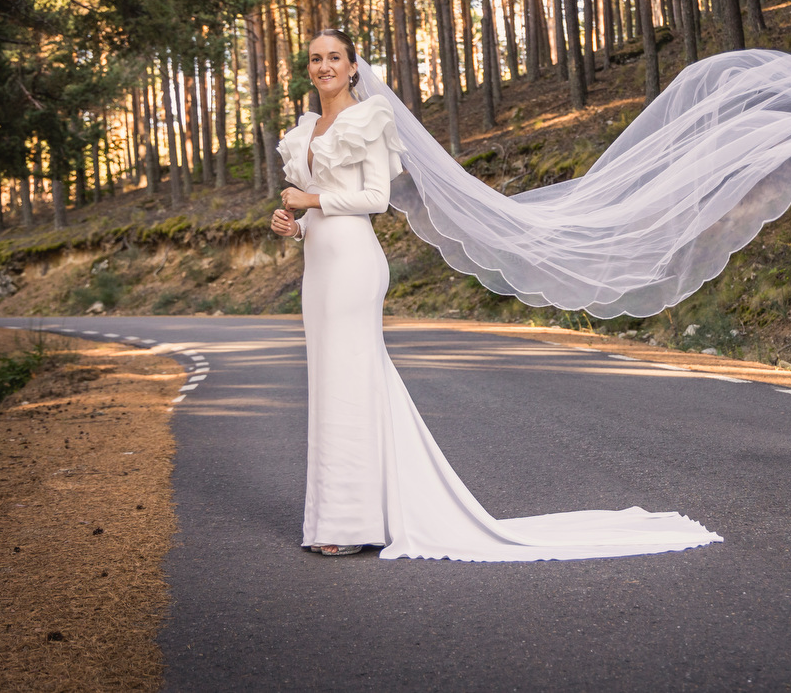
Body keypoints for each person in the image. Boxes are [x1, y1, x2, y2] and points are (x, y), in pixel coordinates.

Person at [271, 30, 723, 560]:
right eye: (315, 59)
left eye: (335, 58)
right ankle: (346, 514)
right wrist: (295, 223)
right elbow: (318, 211)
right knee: (332, 383)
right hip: (318, 266)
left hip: (353, 265)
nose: (324, 66)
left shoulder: (369, 120)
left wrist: (310, 196)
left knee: (350, 380)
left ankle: (350, 524)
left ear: (353, 68)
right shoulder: (306, 130)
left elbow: (373, 197)